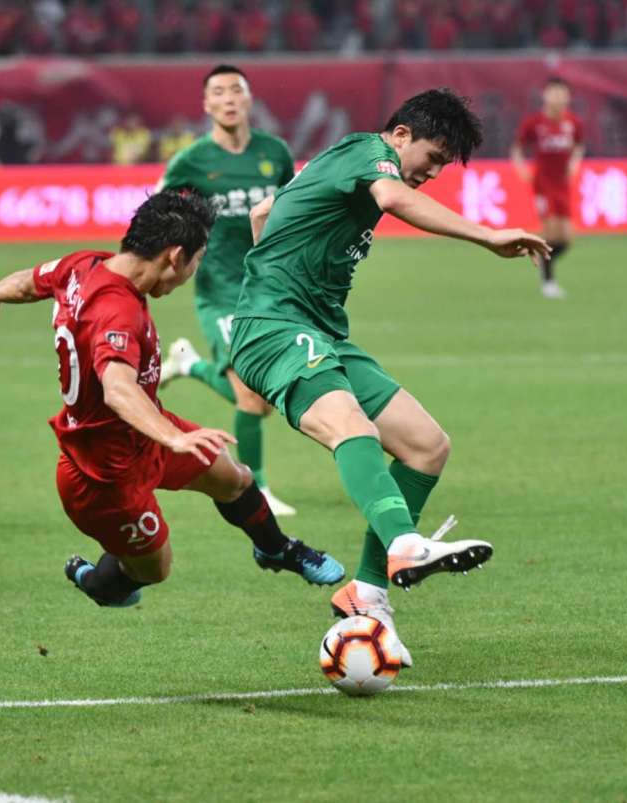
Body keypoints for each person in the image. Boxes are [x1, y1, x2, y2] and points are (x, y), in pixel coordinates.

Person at [230, 88, 551, 663]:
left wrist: (275, 263)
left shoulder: (342, 165)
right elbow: (393, 196)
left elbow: (262, 215)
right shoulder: (369, 154)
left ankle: (369, 594)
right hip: (275, 327)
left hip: (319, 332)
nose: (433, 173)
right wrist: (487, 235)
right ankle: (404, 543)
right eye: (433, 157)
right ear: (401, 135)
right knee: (352, 426)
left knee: (427, 446)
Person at [0, 189, 344, 610]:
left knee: (234, 478)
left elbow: (31, 281)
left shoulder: (82, 265)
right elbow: (117, 388)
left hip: (141, 434)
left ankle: (276, 549)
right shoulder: (118, 311)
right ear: (175, 256)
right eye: (197, 260)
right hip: (102, 474)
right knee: (154, 568)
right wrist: (173, 437)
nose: (194, 272)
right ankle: (93, 580)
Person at [157, 64, 298, 518]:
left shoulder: (274, 153)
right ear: (206, 105)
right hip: (219, 289)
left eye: (236, 89)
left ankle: (189, 365)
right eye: (218, 92)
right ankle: (257, 487)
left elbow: (293, 209)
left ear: (249, 99)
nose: (228, 98)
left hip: (267, 287)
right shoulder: (192, 161)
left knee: (264, 399)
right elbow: (157, 208)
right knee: (250, 395)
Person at [511, 77, 585, 299]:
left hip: (563, 183)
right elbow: (517, 148)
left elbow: (579, 145)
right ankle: (548, 281)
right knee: (550, 230)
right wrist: (521, 168)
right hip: (543, 182)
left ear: (568, 97)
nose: (558, 97)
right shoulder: (534, 123)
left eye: (562, 93)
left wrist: (575, 163)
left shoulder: (573, 122)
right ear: (545, 95)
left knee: (567, 238)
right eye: (553, 93)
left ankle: (542, 261)